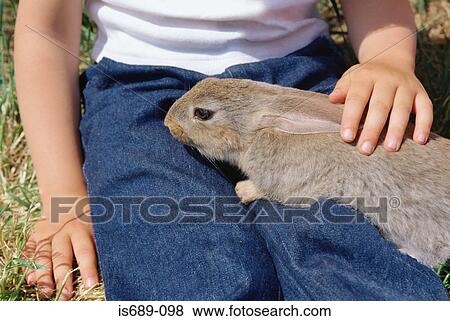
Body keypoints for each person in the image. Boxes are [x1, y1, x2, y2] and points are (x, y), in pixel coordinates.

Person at [14, 0, 448, 300]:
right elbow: (44, 29)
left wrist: (387, 60)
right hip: (140, 89)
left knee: (340, 236)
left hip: (293, 79)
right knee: (178, 253)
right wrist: (63, 196)